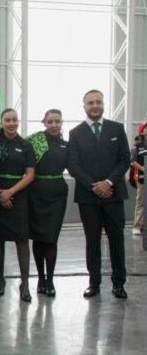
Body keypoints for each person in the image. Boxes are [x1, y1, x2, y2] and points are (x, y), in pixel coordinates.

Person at [68, 89, 130, 299]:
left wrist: (108, 182)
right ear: (84, 106)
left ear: (103, 104)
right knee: (92, 240)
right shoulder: (75, 133)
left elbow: (124, 159)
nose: (95, 106)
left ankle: (119, 283)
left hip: (114, 194)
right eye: (91, 103)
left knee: (117, 240)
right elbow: (73, 165)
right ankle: (94, 283)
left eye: (98, 102)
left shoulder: (117, 128)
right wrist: (94, 186)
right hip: (88, 197)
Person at [0, 108, 35, 302]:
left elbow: (30, 174)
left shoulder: (26, 145)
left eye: (14, 119)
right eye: (7, 120)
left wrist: (10, 192)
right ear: (1, 123)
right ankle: (0, 280)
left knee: (22, 240)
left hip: (19, 196)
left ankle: (25, 284)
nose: (11, 123)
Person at [28, 109, 68, 297]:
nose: (54, 125)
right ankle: (40, 279)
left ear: (61, 123)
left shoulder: (66, 145)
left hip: (57, 195)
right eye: (50, 121)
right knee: (38, 238)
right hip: (36, 193)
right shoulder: (34, 142)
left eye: (57, 121)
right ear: (44, 123)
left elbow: (76, 166)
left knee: (51, 239)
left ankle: (50, 280)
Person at [130, 130, 146, 235]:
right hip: (142, 178)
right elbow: (133, 161)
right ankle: (137, 226)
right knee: (141, 201)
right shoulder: (138, 146)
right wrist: (144, 169)